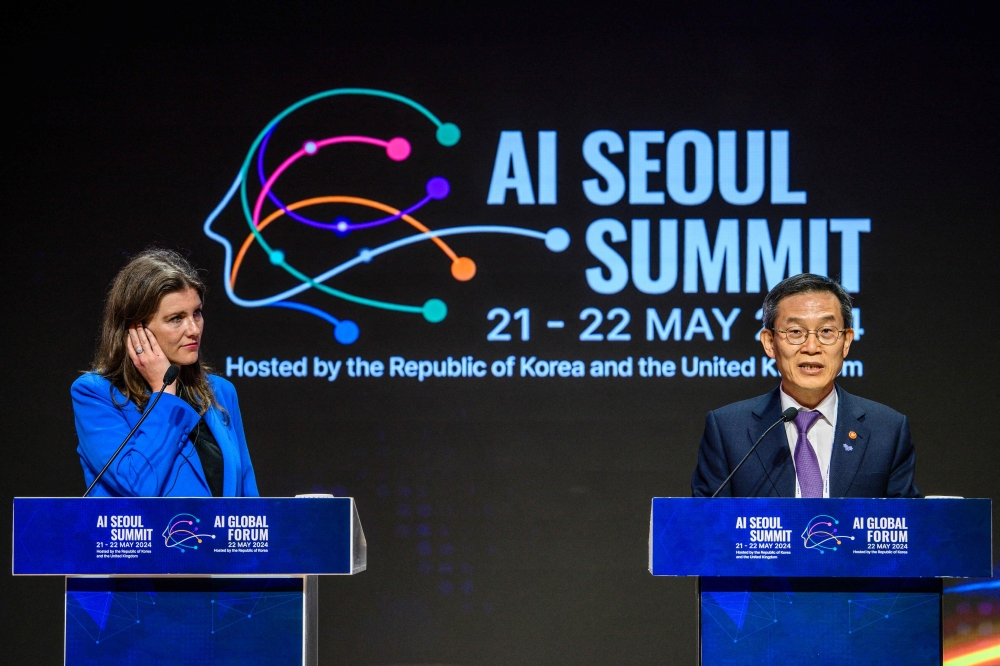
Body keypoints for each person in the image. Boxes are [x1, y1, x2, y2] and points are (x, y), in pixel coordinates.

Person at [691, 273, 919, 498]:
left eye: (826, 331)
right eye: (795, 332)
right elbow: (706, 518)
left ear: (846, 342)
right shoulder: (728, 430)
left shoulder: (887, 430)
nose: (811, 347)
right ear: (769, 342)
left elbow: (908, 520)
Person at [73, 248, 259, 497]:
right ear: (136, 329)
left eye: (197, 313)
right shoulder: (95, 394)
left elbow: (248, 500)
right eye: (176, 318)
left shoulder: (221, 392)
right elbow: (138, 486)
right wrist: (164, 394)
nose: (193, 329)